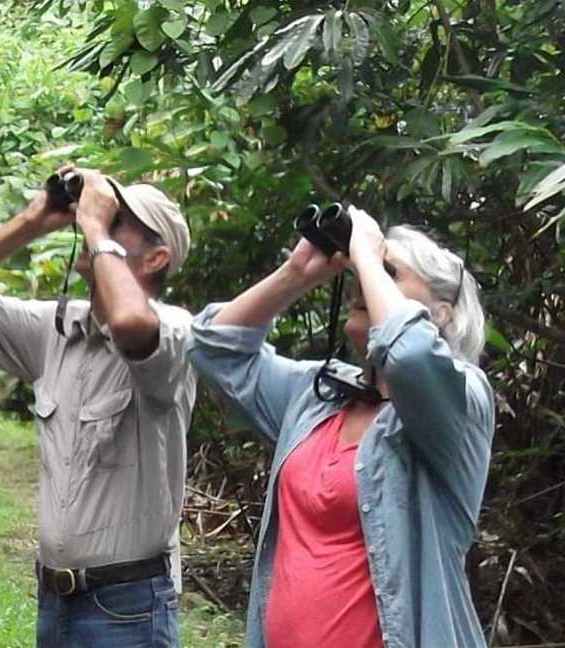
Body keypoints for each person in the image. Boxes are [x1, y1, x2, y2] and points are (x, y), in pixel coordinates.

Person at [186, 205, 494, 648]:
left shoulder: (460, 402)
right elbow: (211, 348)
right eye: (362, 273)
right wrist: (297, 272)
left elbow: (408, 355)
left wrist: (368, 256)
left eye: (391, 273)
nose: (363, 283)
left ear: (441, 313)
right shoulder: (318, 396)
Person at [0, 166, 196, 647]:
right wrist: (32, 220)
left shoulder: (174, 332)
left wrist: (92, 228)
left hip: (128, 608)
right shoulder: (57, 330)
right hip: (57, 600)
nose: (102, 220)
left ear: (156, 258)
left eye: (118, 219)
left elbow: (130, 322)